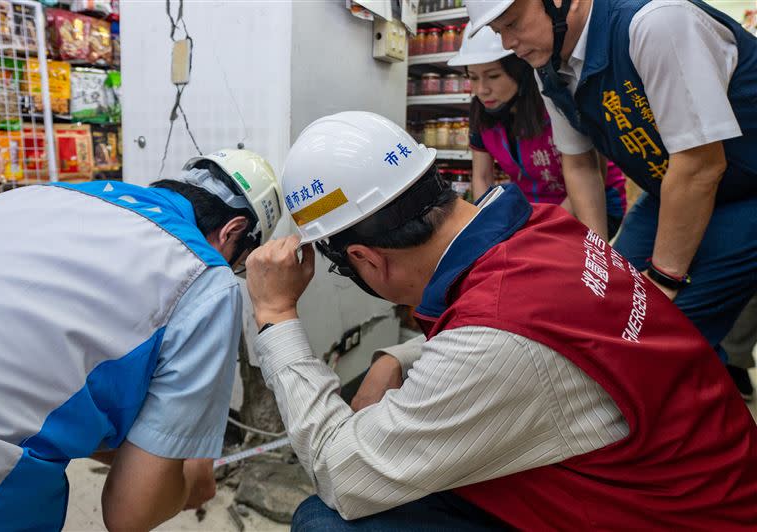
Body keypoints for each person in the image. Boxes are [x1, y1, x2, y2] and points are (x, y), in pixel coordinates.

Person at [245, 111, 756, 530]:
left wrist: (276, 316)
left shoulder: (495, 342)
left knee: (326, 521)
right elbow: (536, 347)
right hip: (686, 482)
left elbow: (343, 473)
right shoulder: (542, 226)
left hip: (673, 518)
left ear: (367, 258)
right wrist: (395, 357)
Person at [0, 149, 282, 531]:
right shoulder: (206, 278)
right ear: (233, 231)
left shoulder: (52, 194)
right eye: (238, 262)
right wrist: (187, 485)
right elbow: (131, 512)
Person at [465, 0, 757, 362]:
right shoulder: (549, 67)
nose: (508, 43)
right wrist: (595, 263)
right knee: (608, 305)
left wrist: (664, 281)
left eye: (513, 24)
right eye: (498, 33)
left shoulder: (654, 23)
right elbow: (581, 165)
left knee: (658, 331)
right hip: (670, 187)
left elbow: (700, 165)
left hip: (741, 189)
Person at [453, 23, 627, 237]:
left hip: (591, 205)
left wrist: (541, 231)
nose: (482, 89)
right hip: (531, 213)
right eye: (473, 77)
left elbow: (586, 174)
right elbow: (482, 177)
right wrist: (485, 225)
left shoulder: (554, 102)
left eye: (494, 76)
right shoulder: (482, 113)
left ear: (519, 71)